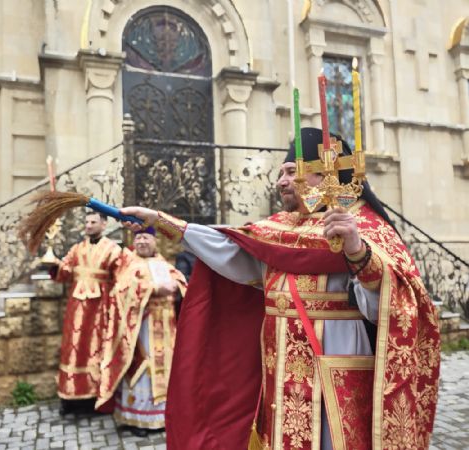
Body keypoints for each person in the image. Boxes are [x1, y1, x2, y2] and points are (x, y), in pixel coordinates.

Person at [121, 128, 440, 450]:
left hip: (337, 366)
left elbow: (388, 307)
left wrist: (357, 252)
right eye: (280, 174)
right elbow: (232, 249)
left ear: (325, 175)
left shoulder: (365, 228)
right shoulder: (279, 228)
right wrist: (160, 221)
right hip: (280, 366)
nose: (281, 182)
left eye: (290, 172)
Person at [98, 227, 186, 437]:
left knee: (167, 369)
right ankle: (139, 418)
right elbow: (121, 291)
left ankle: (163, 416)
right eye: (138, 238)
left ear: (155, 240)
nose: (142, 242)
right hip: (141, 328)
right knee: (142, 368)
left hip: (166, 327)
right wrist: (153, 289)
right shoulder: (129, 264)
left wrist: (177, 285)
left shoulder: (163, 262)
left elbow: (181, 281)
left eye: (146, 237)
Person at [51, 210, 127, 415]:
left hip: (100, 309)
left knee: (95, 350)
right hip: (75, 309)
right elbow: (65, 272)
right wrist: (54, 265)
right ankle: (69, 398)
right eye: (86, 222)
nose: (89, 225)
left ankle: (93, 398)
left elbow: (121, 278)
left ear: (104, 224)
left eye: (93, 222)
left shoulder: (113, 250)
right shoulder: (77, 249)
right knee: (72, 350)